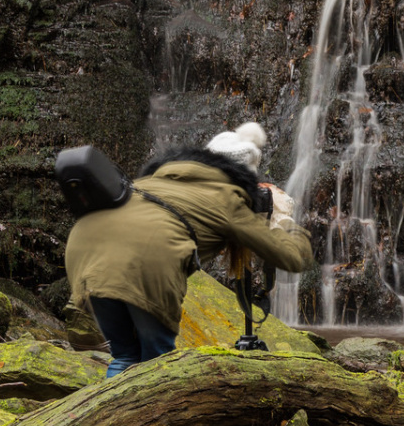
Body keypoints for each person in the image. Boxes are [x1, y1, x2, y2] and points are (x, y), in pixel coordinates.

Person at [64, 122, 314, 376]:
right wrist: (284, 220)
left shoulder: (151, 181)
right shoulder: (227, 197)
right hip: (144, 264)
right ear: (244, 177)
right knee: (157, 364)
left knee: (125, 355)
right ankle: (152, 414)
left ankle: (111, 414)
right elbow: (294, 258)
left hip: (84, 254)